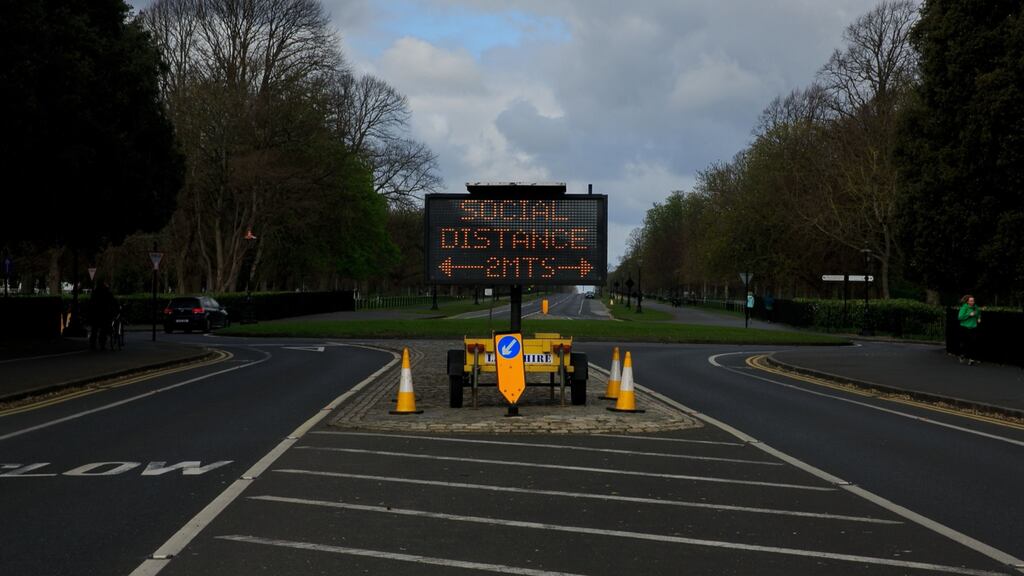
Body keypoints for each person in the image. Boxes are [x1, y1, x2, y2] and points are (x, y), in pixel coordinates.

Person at [89, 280, 115, 350]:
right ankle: (102, 344)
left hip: (95, 313)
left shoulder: (95, 292)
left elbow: (91, 302)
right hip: (104, 313)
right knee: (104, 329)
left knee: (94, 329)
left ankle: (92, 344)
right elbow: (112, 302)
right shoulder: (107, 292)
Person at [957, 294, 981, 365]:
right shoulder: (964, 308)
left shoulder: (976, 307)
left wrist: (979, 318)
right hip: (964, 327)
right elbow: (960, 317)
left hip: (973, 327)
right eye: (971, 301)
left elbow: (979, 313)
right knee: (964, 343)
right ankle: (962, 355)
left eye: (973, 301)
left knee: (973, 343)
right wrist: (969, 315)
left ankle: (971, 359)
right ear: (967, 302)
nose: (972, 302)